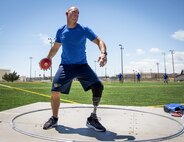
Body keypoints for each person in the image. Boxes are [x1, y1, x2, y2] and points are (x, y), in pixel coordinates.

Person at [43, 6, 107, 132]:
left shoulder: (84, 29)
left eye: (78, 12)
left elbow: (100, 41)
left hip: (82, 65)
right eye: (74, 12)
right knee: (55, 90)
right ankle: (54, 118)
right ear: (67, 13)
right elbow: (55, 47)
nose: (76, 14)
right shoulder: (61, 31)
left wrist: (103, 53)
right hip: (66, 67)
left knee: (98, 86)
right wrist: (48, 58)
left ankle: (93, 118)